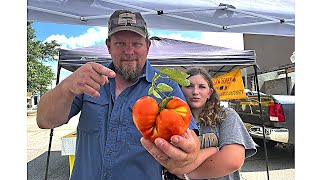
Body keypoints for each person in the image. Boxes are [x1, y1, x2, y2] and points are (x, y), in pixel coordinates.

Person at [36, 10, 200, 180]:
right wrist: (66, 87)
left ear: (148, 46)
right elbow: (44, 121)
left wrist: (190, 152)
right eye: (120, 43)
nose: (129, 51)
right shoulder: (89, 80)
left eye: (136, 44)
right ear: (108, 46)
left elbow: (190, 136)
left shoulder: (166, 86)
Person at [168, 67, 257, 180]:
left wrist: (187, 175)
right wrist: (212, 151)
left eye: (202, 87)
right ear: (180, 90)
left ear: (209, 92)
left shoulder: (226, 115)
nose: (195, 92)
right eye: (189, 86)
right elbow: (172, 164)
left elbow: (232, 160)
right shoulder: (172, 120)